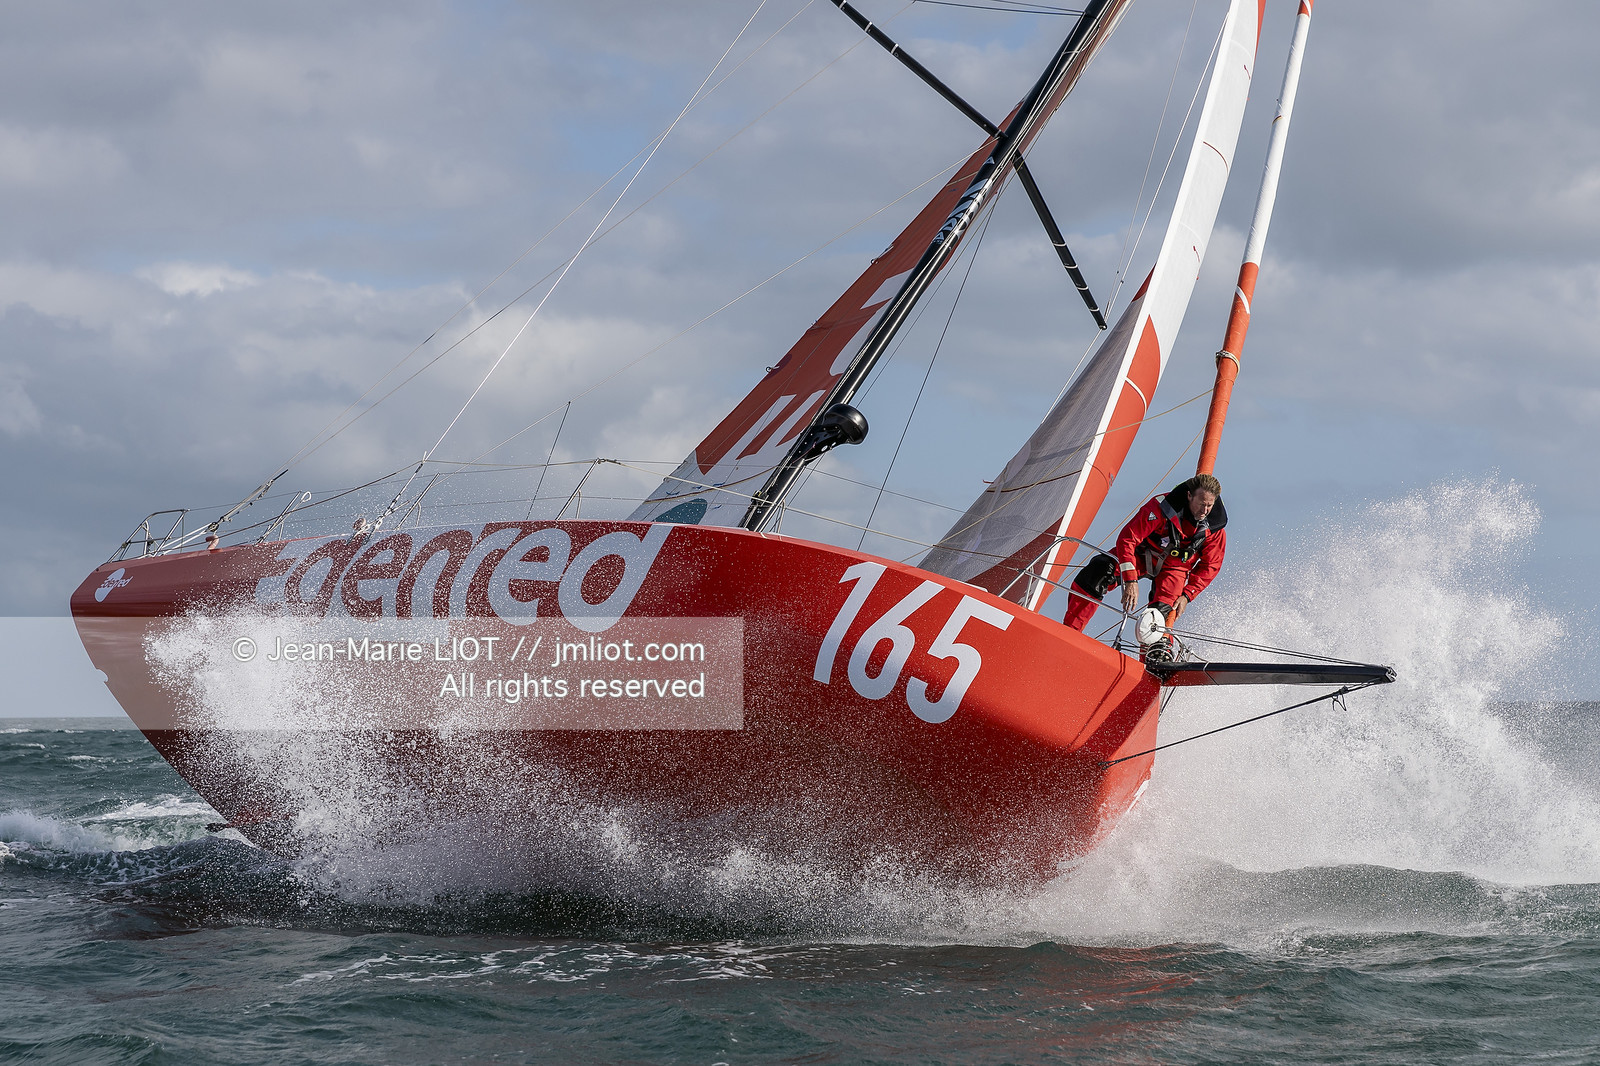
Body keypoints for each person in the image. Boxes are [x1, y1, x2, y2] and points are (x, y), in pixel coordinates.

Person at [1062, 474, 1227, 653]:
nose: (1204, 510)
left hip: (1174, 570)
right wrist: (1130, 579)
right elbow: (1127, 539)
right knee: (1098, 571)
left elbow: (1210, 566)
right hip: (1140, 555)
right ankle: (1069, 634)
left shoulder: (1215, 529)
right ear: (1189, 496)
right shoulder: (1161, 507)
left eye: (1209, 505)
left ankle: (1154, 659)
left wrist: (1187, 595)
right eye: (1201, 504)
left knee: (1159, 618)